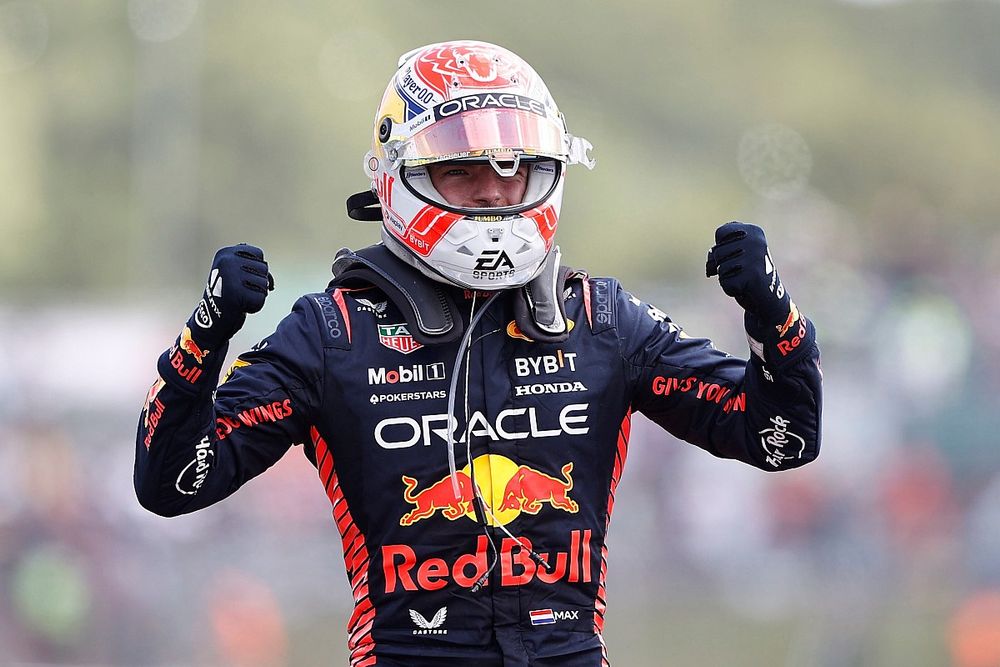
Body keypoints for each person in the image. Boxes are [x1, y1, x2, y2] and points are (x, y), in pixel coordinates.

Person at [135, 40, 823, 666]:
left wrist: (773, 317)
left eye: (516, 169)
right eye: (465, 171)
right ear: (400, 176)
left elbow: (781, 441)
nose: (496, 190)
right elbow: (170, 483)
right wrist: (206, 335)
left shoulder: (603, 318)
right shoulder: (331, 332)